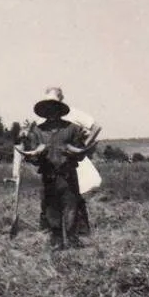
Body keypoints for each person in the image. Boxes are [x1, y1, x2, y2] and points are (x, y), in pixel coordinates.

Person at [18, 90, 93, 250]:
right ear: (44, 111)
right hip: (48, 176)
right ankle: (57, 241)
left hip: (68, 175)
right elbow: (33, 159)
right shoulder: (37, 131)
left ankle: (72, 240)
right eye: (48, 108)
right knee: (51, 208)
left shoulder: (73, 128)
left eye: (54, 107)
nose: (51, 111)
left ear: (59, 109)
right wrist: (35, 155)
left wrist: (73, 153)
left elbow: (81, 155)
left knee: (71, 207)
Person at [34, 87, 102, 235]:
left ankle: (75, 236)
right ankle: (53, 236)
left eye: (54, 104)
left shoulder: (73, 122)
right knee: (50, 203)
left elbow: (93, 131)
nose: (51, 109)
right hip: (49, 170)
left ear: (60, 104)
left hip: (69, 168)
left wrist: (80, 148)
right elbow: (34, 152)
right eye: (48, 105)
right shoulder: (39, 127)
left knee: (72, 201)